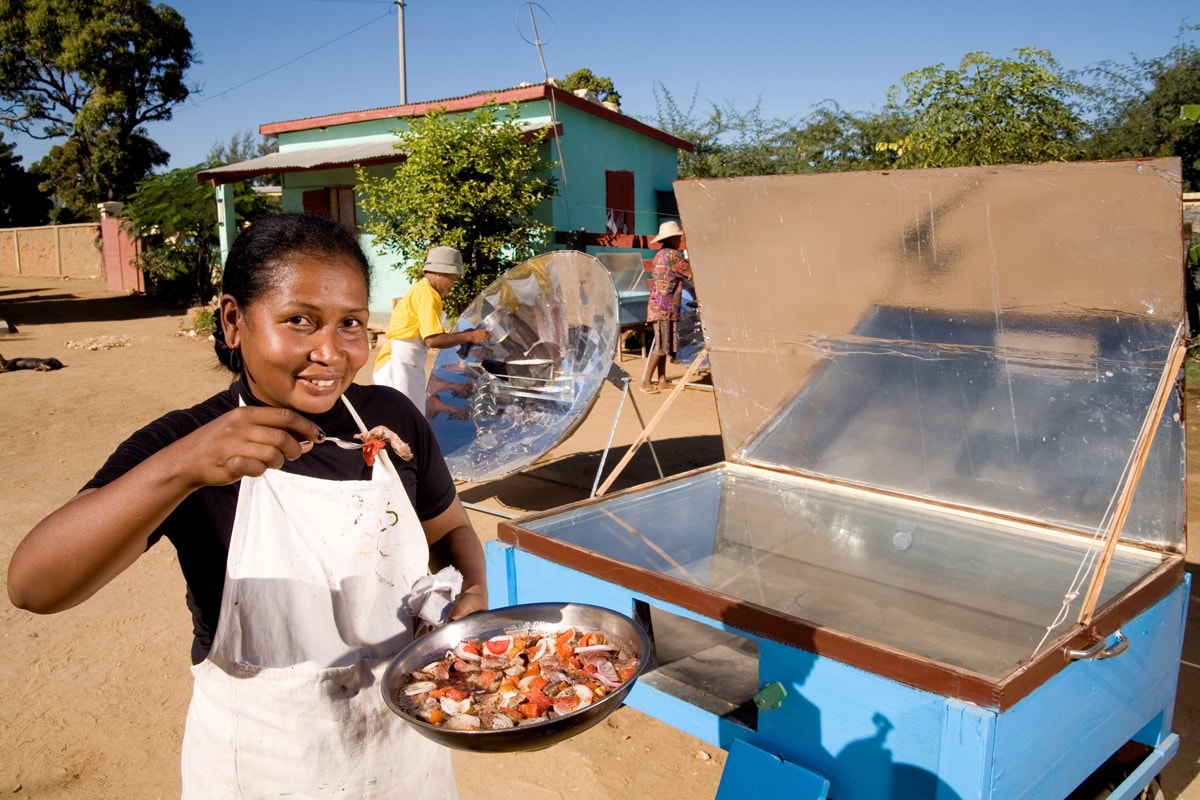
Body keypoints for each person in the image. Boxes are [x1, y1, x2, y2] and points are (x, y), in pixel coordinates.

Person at [7, 213, 488, 799]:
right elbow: (34, 586)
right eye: (299, 321)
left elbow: (452, 527)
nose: (331, 352)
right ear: (234, 321)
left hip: (404, 755)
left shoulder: (394, 417)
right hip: (268, 768)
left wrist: (472, 594)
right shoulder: (185, 444)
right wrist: (182, 468)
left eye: (351, 324)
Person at [373, 246, 489, 404]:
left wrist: (464, 335)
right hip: (400, 364)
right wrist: (470, 336)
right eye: (452, 279)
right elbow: (433, 339)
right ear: (440, 272)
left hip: (404, 362)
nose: (452, 285)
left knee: (407, 417)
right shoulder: (429, 295)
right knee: (405, 418)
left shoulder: (422, 290)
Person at [641, 219, 694, 393]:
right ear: (671, 239)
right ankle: (646, 381)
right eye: (677, 238)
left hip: (659, 306)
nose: (680, 240)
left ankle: (662, 379)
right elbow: (690, 273)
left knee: (662, 343)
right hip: (665, 307)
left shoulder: (660, 255)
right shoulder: (673, 255)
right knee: (660, 346)